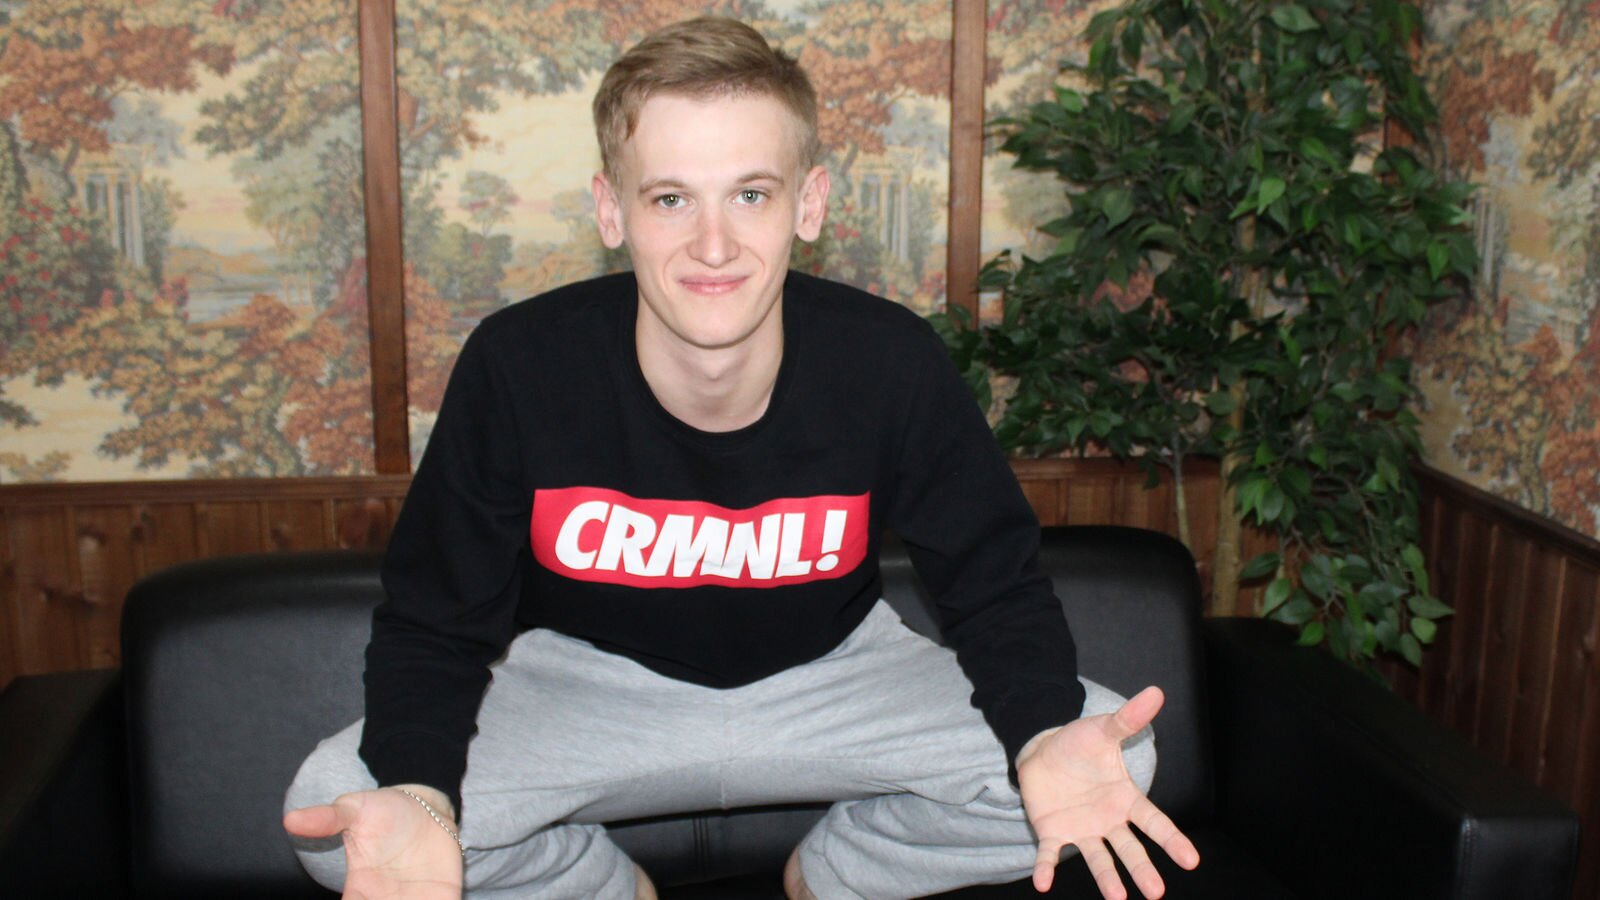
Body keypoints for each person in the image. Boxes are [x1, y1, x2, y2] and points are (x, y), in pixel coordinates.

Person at [283, 16, 1199, 900]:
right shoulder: (520, 366)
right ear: (611, 210)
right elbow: (435, 620)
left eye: (751, 195)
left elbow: (994, 585)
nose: (713, 245)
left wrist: (1041, 734)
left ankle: (833, 877)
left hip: (834, 677)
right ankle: (602, 887)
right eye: (670, 198)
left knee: (1105, 757)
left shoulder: (889, 361)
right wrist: (419, 794)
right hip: (588, 688)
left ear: (810, 203)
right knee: (344, 811)